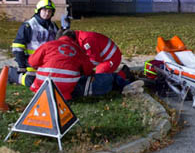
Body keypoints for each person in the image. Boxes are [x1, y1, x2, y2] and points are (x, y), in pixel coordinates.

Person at [11, 29, 142, 100]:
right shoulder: (77, 50)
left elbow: (32, 62)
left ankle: (11, 75)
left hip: (41, 90)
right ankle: (125, 84)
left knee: (29, 78)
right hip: (67, 93)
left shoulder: (48, 45)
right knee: (103, 79)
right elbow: (87, 70)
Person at [10, 0, 59, 87]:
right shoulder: (28, 25)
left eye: (50, 11)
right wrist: (22, 65)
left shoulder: (54, 26)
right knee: (32, 83)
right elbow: (17, 47)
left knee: (53, 82)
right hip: (31, 62)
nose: (47, 13)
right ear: (38, 10)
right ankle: (12, 75)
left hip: (48, 63)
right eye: (44, 10)